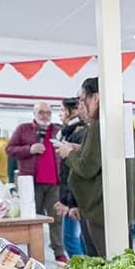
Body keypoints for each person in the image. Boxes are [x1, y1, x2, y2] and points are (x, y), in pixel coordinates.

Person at [8, 103, 66, 262]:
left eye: (48, 112)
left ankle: (59, 254)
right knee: (33, 220)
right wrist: (29, 149)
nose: (45, 115)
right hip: (32, 183)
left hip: (55, 182)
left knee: (56, 219)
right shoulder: (23, 129)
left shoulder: (57, 130)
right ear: (34, 113)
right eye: (41, 112)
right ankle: (34, 255)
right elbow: (10, 149)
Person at [59, 77, 105, 257]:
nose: (81, 107)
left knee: (96, 256)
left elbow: (87, 167)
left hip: (96, 207)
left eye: (82, 100)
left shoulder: (97, 125)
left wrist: (69, 154)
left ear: (95, 98)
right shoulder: (97, 125)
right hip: (92, 205)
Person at [54, 98, 88, 258]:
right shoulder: (69, 133)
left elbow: (76, 172)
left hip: (77, 199)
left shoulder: (80, 133)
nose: (60, 115)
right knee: (78, 241)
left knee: (72, 241)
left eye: (62, 111)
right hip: (73, 197)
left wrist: (70, 203)